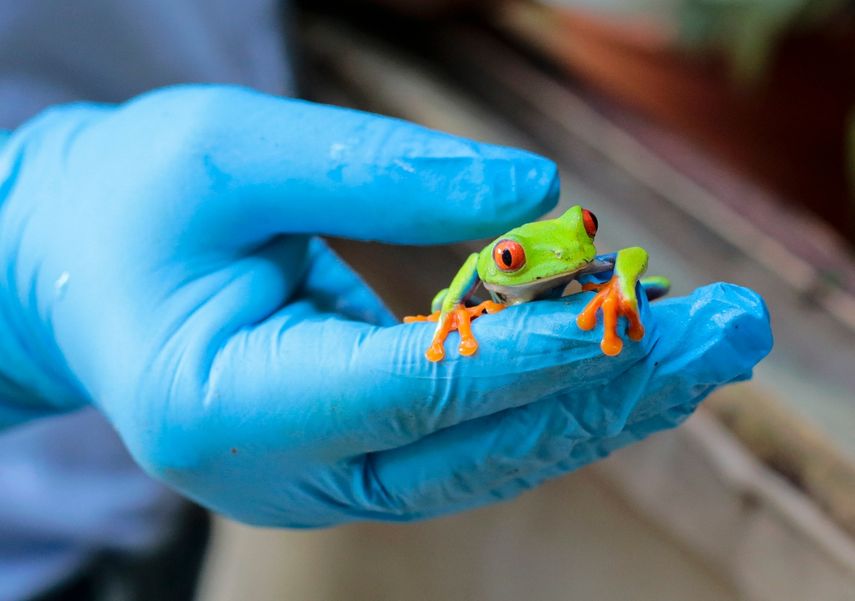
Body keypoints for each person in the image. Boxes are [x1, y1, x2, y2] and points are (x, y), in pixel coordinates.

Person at [0, 1, 772, 599]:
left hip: (147, 517)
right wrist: (18, 279)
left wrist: (616, 286)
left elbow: (609, 257)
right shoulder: (488, 271)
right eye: (506, 253)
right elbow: (465, 284)